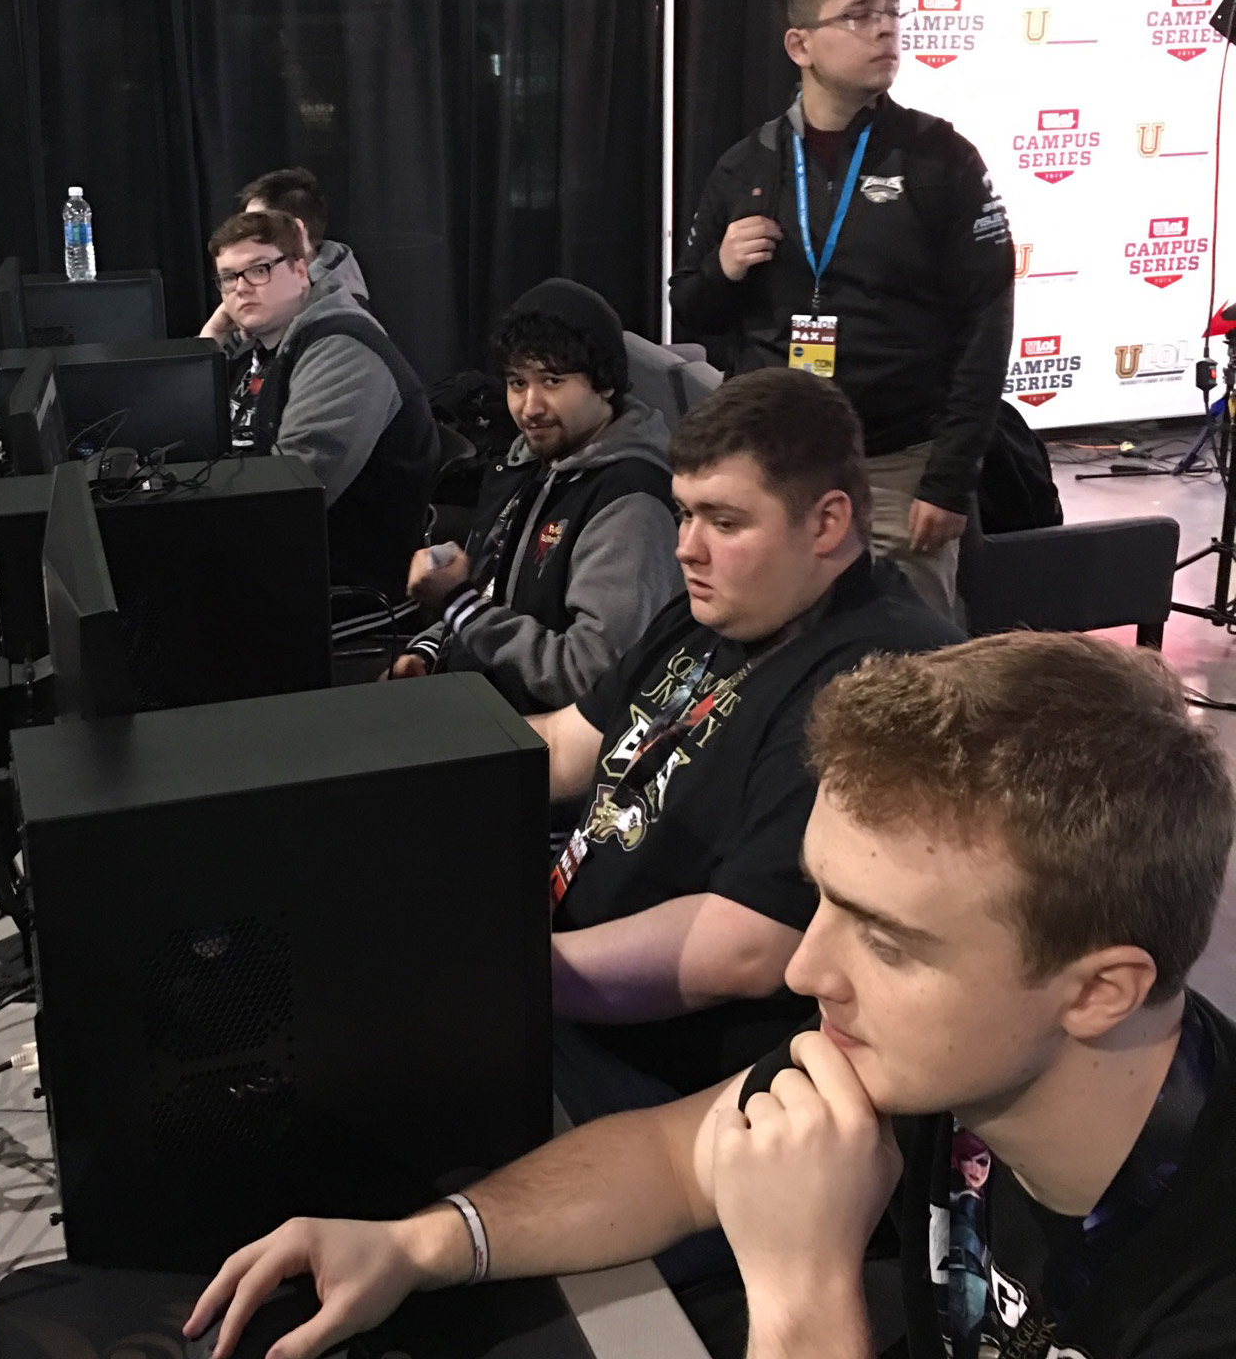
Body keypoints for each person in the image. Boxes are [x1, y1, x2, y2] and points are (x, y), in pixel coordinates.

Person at [187, 631, 1236, 1359]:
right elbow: (676, 1155)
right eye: (822, 899)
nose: (806, 967)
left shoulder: (1209, 1356)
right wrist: (420, 1245)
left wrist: (801, 1287)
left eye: (887, 940)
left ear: (1100, 990)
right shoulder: (955, 1055)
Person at [536, 365, 955, 1112]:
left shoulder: (879, 679)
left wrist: (510, 981)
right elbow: (570, 744)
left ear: (826, 523)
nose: (686, 548)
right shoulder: (718, 608)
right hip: (569, 981)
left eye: (724, 522)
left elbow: (746, 947)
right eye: (683, 514)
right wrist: (417, 774)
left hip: (673, 1078)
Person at [669, 0, 1013, 621]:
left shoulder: (942, 159)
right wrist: (723, 270)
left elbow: (987, 324)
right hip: (771, 469)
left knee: (911, 667)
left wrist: (949, 479)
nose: (885, 30)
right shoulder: (747, 165)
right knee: (777, 650)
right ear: (800, 44)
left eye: (891, 10)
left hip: (898, 466)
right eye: (859, 15)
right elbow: (691, 309)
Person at [389, 278, 681, 714]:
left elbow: (588, 677)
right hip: (479, 701)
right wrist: (431, 650)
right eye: (517, 383)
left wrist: (456, 602)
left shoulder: (631, 504)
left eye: (552, 380)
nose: (530, 407)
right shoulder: (530, 462)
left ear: (605, 383)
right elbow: (489, 593)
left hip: (533, 734)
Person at [206, 208, 438, 622]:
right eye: (228, 277)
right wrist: (215, 335)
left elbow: (291, 495)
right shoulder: (268, 345)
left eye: (259, 270)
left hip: (347, 584)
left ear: (301, 271)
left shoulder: (342, 347)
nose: (241, 288)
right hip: (291, 560)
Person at [199, 166, 370, 342]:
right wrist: (214, 332)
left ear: (297, 231)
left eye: (260, 226)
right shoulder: (249, 308)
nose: (241, 288)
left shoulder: (338, 323)